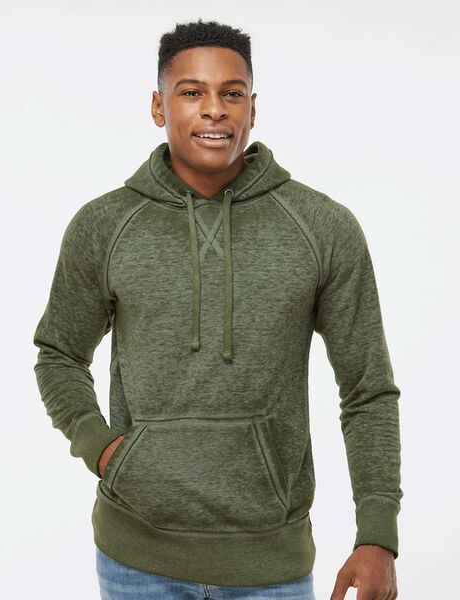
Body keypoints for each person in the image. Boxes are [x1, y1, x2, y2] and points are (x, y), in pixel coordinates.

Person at [33, 18, 403, 600]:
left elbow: (368, 390)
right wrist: (101, 448)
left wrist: (377, 535)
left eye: (232, 93)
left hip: (272, 566)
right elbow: (58, 354)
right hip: (135, 558)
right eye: (192, 92)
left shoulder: (323, 227)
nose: (214, 109)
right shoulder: (104, 225)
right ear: (158, 106)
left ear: (252, 109)